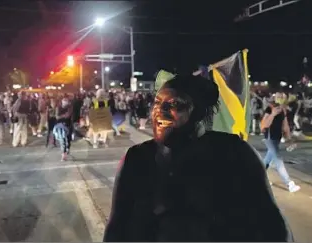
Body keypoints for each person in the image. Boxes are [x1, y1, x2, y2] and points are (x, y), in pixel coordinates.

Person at [103, 74, 293, 242]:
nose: (160, 111)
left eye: (175, 104)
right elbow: (116, 230)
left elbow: (274, 227)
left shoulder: (236, 154)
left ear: (201, 112)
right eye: (158, 102)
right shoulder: (138, 159)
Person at [261, 98, 301, 193]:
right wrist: (273, 114)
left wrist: (289, 139)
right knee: (278, 161)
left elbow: (285, 126)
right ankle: (289, 183)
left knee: (266, 161)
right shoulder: (269, 109)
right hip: (270, 139)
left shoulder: (283, 111)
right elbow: (264, 125)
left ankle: (258, 178)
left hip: (277, 139)